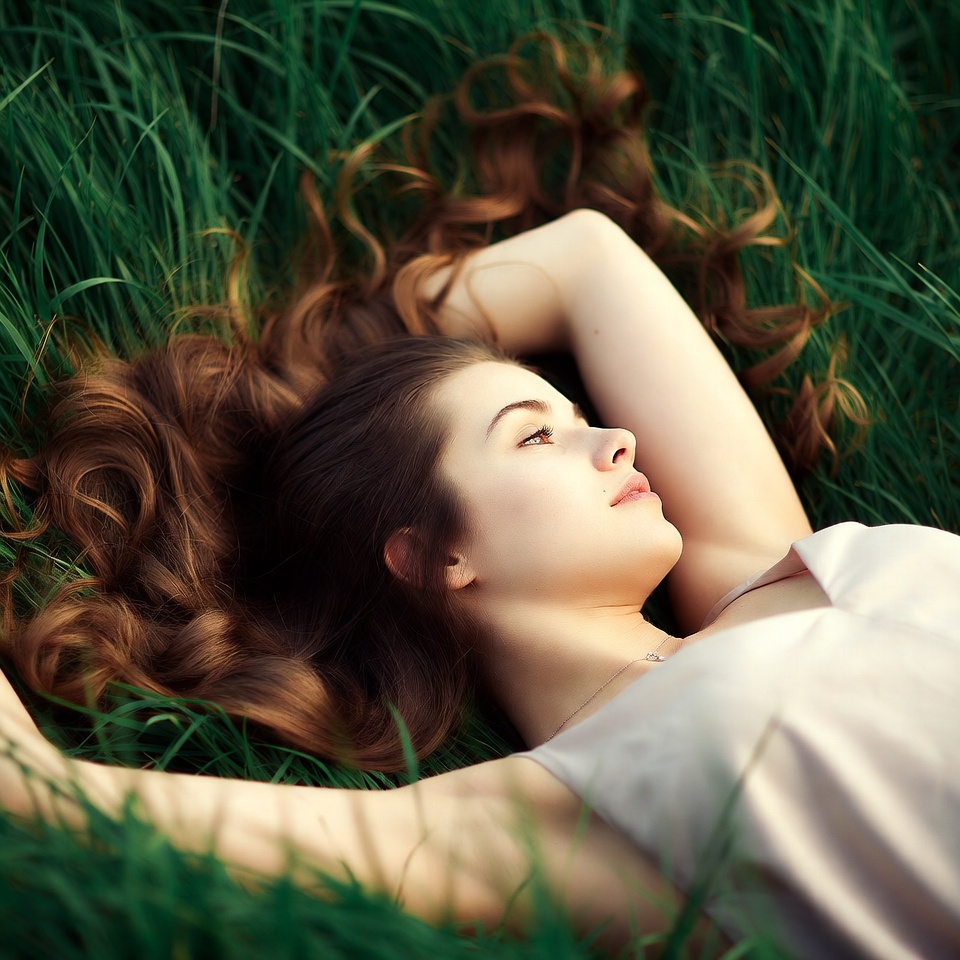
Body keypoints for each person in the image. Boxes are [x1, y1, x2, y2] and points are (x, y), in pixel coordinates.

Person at [1, 38, 958, 960]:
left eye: (576, 416)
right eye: (536, 435)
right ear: (432, 556)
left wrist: (297, 388)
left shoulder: (761, 569)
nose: (618, 438)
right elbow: (39, 795)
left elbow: (585, 261)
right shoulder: (561, 816)